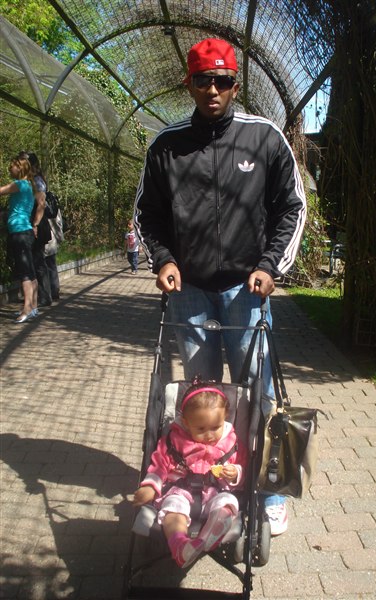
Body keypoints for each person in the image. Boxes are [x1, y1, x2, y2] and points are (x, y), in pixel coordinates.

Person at [134, 38, 307, 536]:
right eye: (203, 80)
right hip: (189, 292)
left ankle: (269, 492)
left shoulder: (264, 138)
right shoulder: (166, 146)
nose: (213, 89)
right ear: (188, 83)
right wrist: (164, 260)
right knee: (201, 396)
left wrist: (271, 266)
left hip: (246, 291)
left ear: (235, 83)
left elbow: (292, 207)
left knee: (259, 392)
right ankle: (205, 485)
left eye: (222, 80)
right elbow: (147, 215)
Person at [133, 380, 247, 568]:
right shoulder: (174, 440)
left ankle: (210, 535)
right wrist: (150, 486)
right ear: (186, 423)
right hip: (180, 491)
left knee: (228, 501)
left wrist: (235, 472)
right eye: (201, 429)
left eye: (215, 427)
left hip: (215, 492)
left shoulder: (231, 442)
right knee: (172, 508)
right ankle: (180, 546)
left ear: (225, 418)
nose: (209, 435)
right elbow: (160, 465)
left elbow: (242, 464)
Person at [0, 156, 39, 322]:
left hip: (20, 232)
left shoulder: (20, 184)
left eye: (13, 166)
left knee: (25, 273)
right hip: (25, 232)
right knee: (30, 271)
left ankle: (26, 310)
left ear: (20, 168)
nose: (10, 168)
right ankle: (33, 307)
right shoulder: (28, 185)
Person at [18, 152, 52, 307]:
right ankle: (37, 296)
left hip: (37, 224)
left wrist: (35, 224)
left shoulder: (37, 181)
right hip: (32, 223)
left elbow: (41, 204)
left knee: (38, 260)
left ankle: (44, 295)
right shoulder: (30, 181)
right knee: (35, 260)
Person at [44, 207, 64, 300]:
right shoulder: (53, 204)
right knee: (51, 266)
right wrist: (60, 238)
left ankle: (47, 293)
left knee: (43, 266)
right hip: (51, 239)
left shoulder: (39, 202)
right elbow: (58, 223)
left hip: (43, 238)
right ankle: (54, 291)